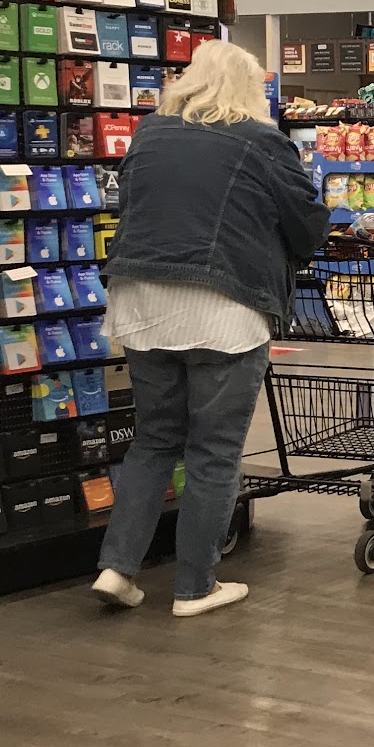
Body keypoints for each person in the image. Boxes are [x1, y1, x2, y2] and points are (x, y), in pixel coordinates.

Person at [91, 41, 330, 617]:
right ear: (249, 89)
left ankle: (117, 568)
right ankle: (195, 587)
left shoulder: (150, 132)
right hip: (223, 305)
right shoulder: (260, 140)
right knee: (214, 452)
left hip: (139, 301)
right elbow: (308, 226)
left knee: (153, 439)